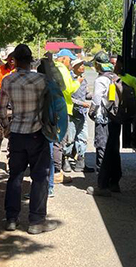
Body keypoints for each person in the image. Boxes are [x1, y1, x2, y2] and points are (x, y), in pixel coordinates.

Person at [0, 44, 57, 235]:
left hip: (16, 134)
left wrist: (6, 127)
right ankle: (36, 221)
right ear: (31, 61)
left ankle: (11, 219)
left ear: (14, 60)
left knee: (15, 176)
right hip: (36, 134)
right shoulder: (41, 79)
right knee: (39, 177)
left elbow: (1, 108)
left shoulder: (8, 80)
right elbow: (59, 93)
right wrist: (49, 65)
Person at [87, 51, 122, 197]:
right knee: (113, 149)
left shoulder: (100, 80)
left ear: (97, 64)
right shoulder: (115, 77)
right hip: (115, 118)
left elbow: (96, 100)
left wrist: (92, 112)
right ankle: (115, 182)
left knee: (102, 147)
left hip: (103, 119)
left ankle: (102, 185)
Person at [51, 49, 81, 183]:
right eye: (70, 60)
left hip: (53, 108)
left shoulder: (53, 68)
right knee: (59, 140)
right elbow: (68, 89)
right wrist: (78, 82)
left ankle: (54, 170)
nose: (71, 63)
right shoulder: (62, 69)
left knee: (54, 139)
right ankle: (57, 172)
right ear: (63, 59)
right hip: (62, 109)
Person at [64, 58, 95, 173]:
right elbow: (67, 96)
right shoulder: (69, 79)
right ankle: (65, 160)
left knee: (83, 138)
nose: (83, 67)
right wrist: (81, 103)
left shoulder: (83, 79)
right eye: (80, 65)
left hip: (82, 113)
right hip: (72, 113)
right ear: (74, 67)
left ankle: (80, 162)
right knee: (70, 138)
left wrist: (96, 95)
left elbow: (86, 94)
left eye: (83, 64)